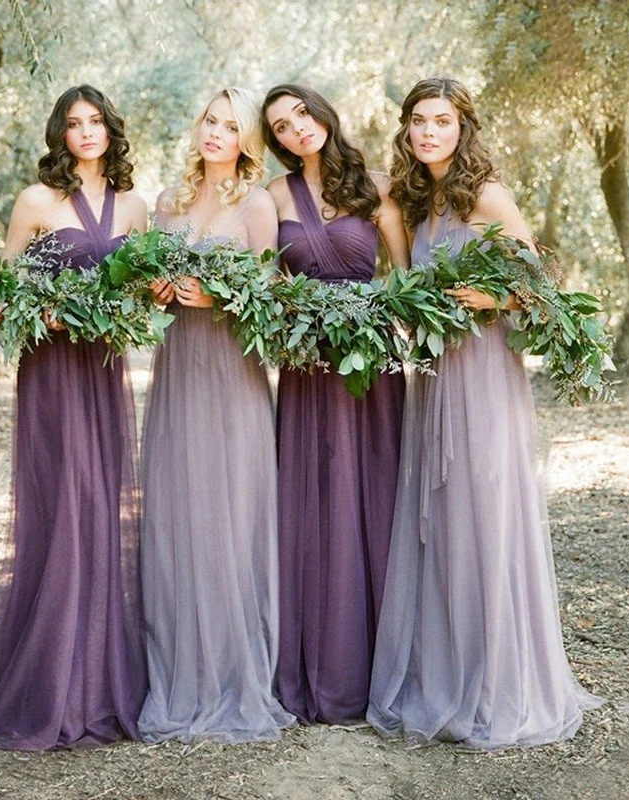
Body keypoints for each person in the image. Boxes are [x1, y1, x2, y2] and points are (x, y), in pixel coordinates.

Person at [367, 76, 604, 749]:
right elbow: (406, 281)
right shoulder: (418, 202)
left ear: (462, 127)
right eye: (418, 121)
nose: (428, 132)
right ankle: (449, 672)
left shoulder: (488, 196)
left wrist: (494, 301)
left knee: (487, 515)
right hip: (437, 379)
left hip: (487, 380)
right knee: (442, 521)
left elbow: (539, 294)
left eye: (441, 121)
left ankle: (501, 684)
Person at [0, 84, 147, 749]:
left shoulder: (136, 208)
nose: (85, 132)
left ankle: (96, 682)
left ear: (111, 132)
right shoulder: (35, 201)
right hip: (53, 375)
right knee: (62, 508)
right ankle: (47, 682)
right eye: (73, 123)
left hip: (103, 373)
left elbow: (139, 302)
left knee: (102, 510)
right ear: (60, 134)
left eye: (96, 122)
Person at [137, 87, 294, 743]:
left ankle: (232, 674)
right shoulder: (167, 203)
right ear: (197, 126)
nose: (217, 132)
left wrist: (219, 295)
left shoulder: (257, 204)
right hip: (178, 370)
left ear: (245, 140)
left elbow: (275, 297)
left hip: (232, 375)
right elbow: (140, 282)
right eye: (210, 119)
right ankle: (178, 668)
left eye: (231, 125)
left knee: (230, 515)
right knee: (178, 513)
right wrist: (153, 287)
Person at [262, 84, 409, 724]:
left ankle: (381, 666)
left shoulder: (378, 186)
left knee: (371, 491)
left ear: (323, 113)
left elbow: (403, 278)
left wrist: (374, 312)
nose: (297, 131)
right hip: (305, 363)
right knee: (311, 497)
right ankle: (314, 663)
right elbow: (265, 281)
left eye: (301, 115)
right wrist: (295, 308)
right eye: (280, 127)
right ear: (273, 141)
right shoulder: (272, 195)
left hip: (370, 363)